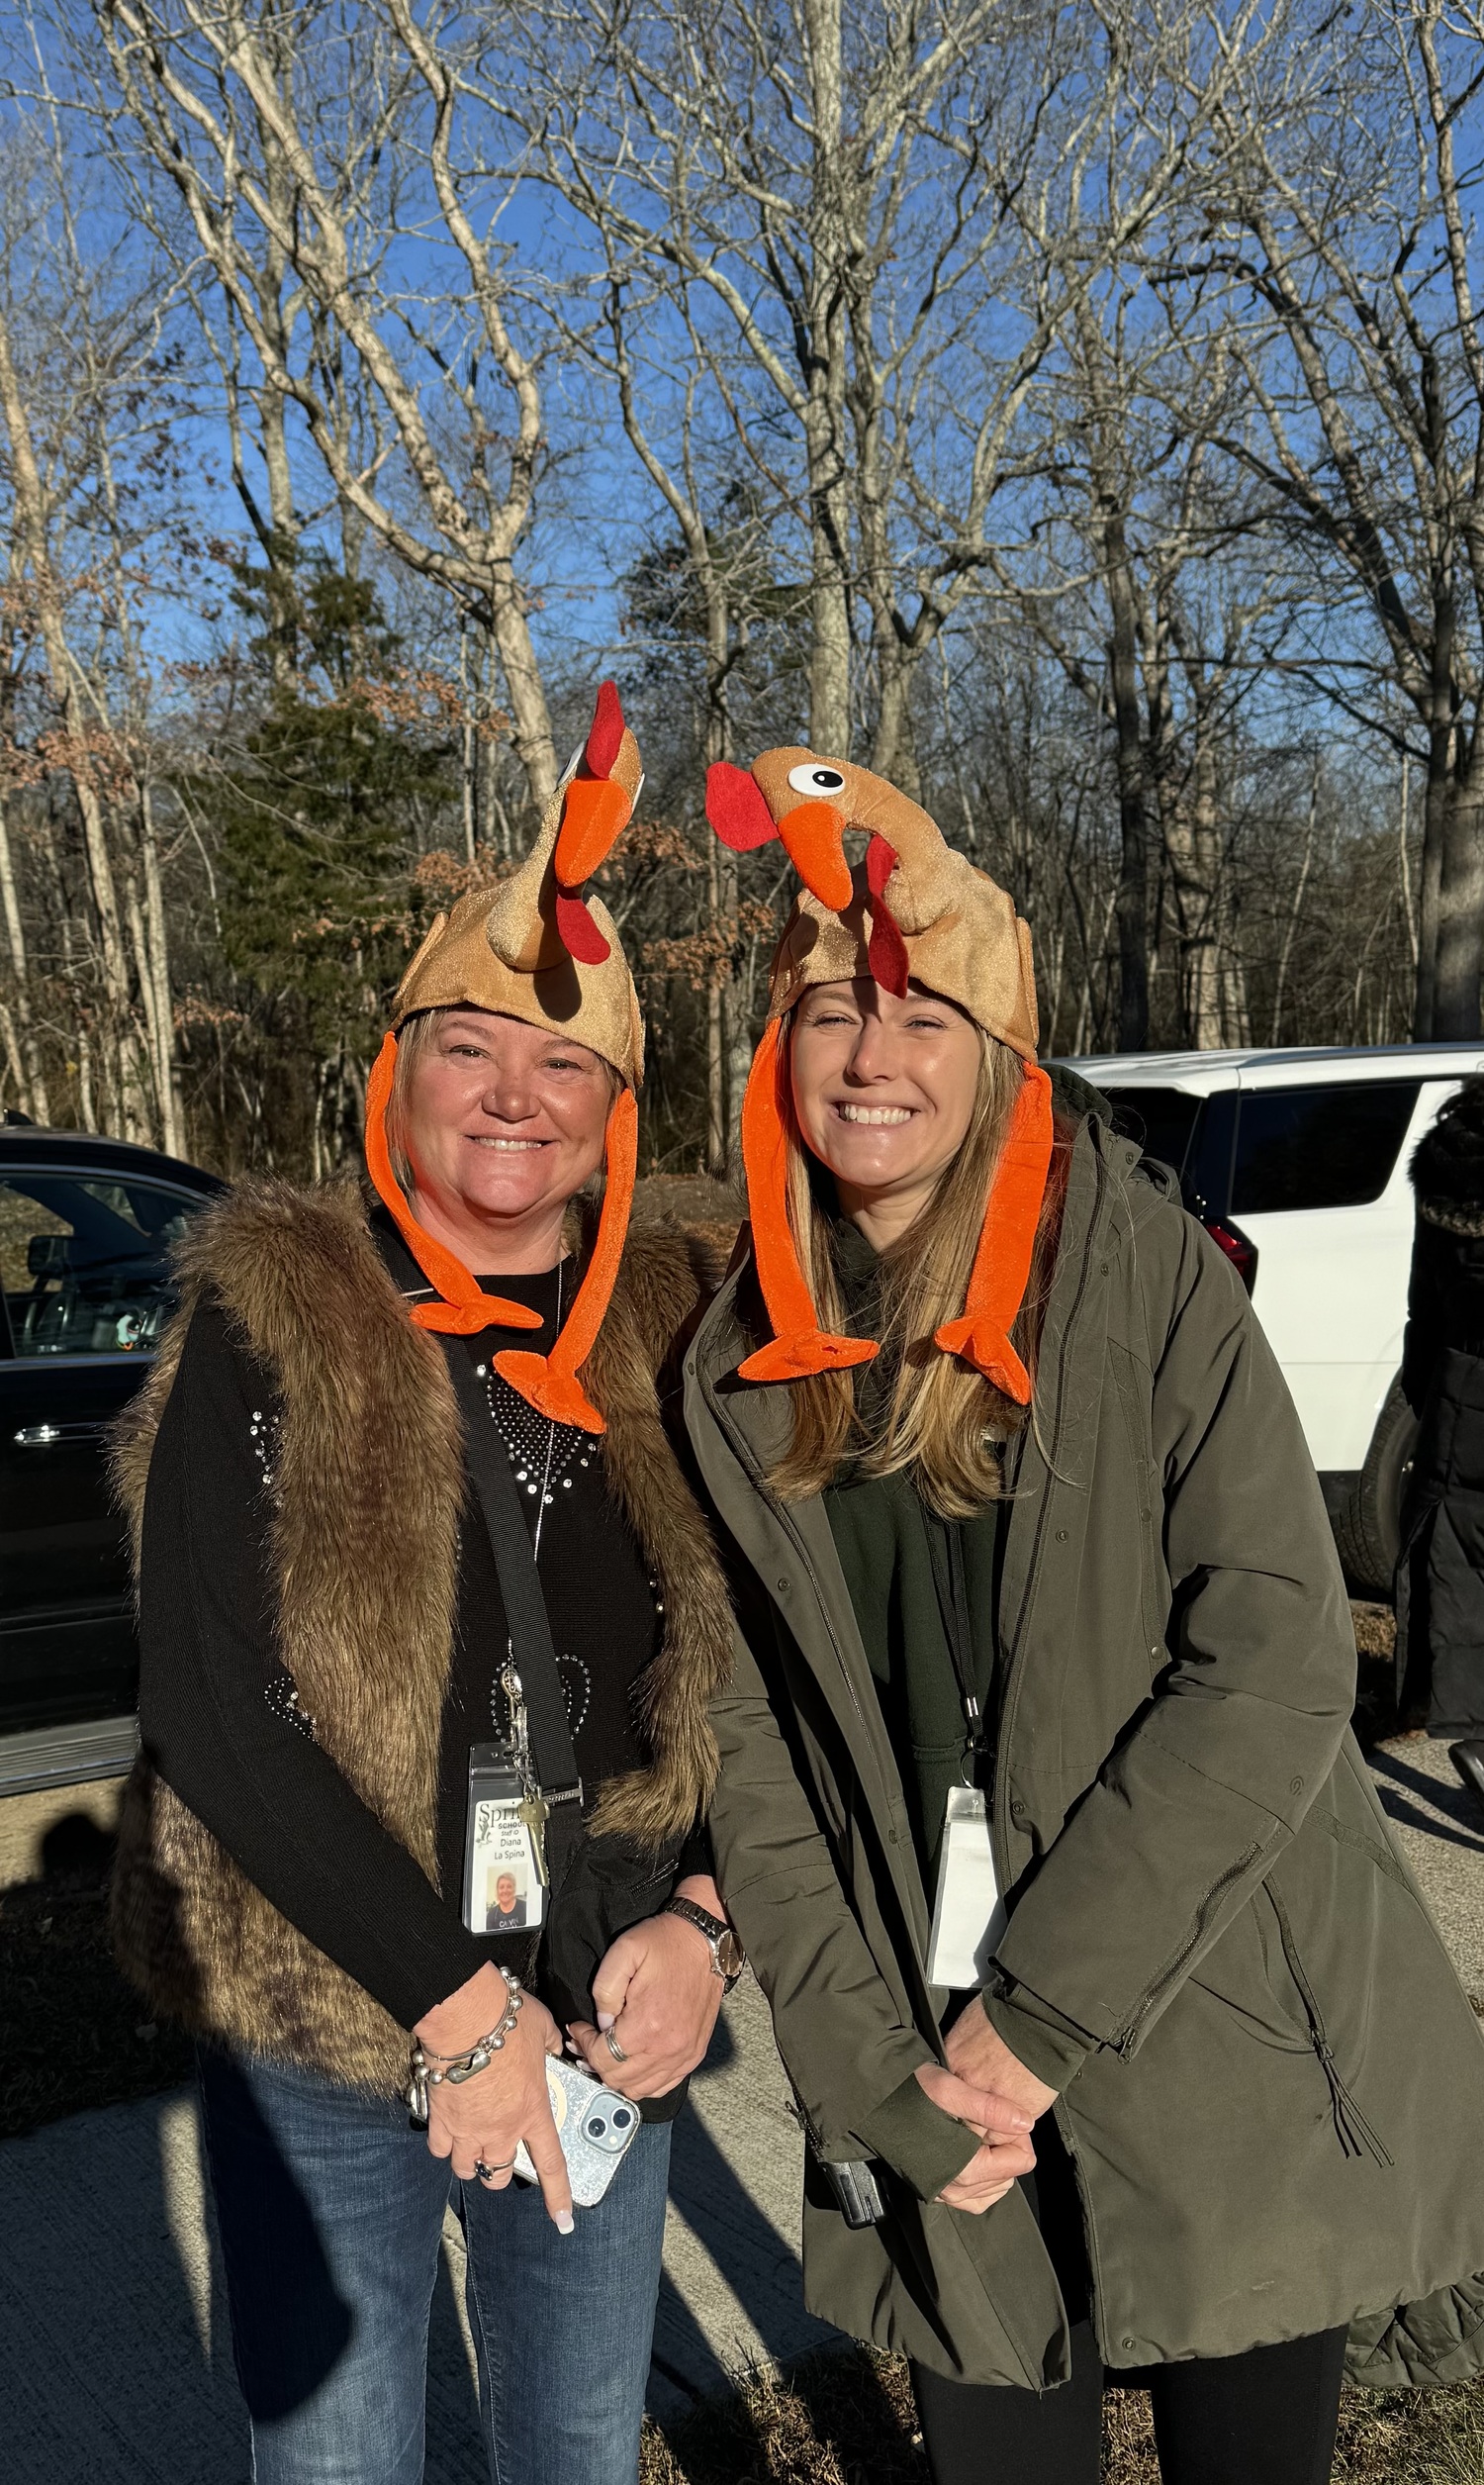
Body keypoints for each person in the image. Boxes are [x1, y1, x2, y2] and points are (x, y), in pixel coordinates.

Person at [683, 745, 1484, 2485]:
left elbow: (1270, 1659)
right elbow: (746, 1748)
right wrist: (871, 2060)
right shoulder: (734, 1368)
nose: (876, 1061)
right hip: (925, 2034)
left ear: (1000, 1050)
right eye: (831, 1013)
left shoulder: (1143, 1276)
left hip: (1212, 2005)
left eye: (926, 1018)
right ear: (775, 1049)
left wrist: (1032, 2021)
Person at [110, 685, 742, 2485]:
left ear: (619, 1105)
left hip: (608, 1988)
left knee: (571, 2450)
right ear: (398, 1067)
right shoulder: (273, 1308)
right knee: (337, 2463)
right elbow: (214, 1702)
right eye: (473, 1048)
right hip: (331, 2008)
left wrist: (705, 1923)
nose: (516, 1099)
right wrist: (456, 2012)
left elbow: (763, 1673)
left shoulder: (675, 1325)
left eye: (567, 1062)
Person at [1396, 1075, 1484, 1806]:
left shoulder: (1445, 1163)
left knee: (1465, 1570)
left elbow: (1425, 1298)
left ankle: (1481, 1731)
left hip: (1461, 1388)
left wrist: (1422, 1389)